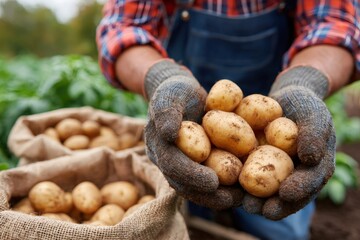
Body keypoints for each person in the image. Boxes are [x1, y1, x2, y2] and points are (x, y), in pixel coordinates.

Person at [96, 1, 359, 239]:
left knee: (282, 228)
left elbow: (337, 25)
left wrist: (304, 83)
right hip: (188, 112)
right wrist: (162, 77)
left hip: (277, 105)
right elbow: (122, 28)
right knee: (192, 207)